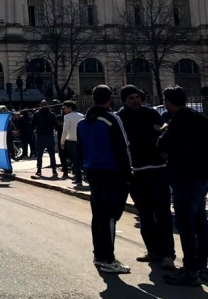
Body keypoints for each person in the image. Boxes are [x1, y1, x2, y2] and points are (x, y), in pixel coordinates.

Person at [158, 86, 208, 287]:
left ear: (169, 102)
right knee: (201, 223)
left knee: (186, 226)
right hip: (201, 177)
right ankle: (203, 267)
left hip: (183, 178)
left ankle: (190, 271)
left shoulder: (176, 122)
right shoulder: (201, 119)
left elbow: (161, 147)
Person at [116, 85, 175, 270]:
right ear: (124, 100)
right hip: (136, 172)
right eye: (131, 98)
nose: (135, 101)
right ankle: (152, 250)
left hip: (157, 170)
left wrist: (161, 131)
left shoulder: (150, 113)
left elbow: (165, 131)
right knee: (145, 215)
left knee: (163, 214)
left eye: (137, 97)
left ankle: (167, 254)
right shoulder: (120, 117)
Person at [77, 85, 133, 274]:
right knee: (109, 216)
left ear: (93, 99)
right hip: (112, 172)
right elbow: (123, 148)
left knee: (98, 215)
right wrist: (128, 175)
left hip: (92, 171)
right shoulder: (111, 119)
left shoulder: (83, 123)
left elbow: (80, 149)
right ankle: (108, 258)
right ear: (110, 99)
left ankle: (99, 254)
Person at [60, 101, 84, 187]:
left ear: (70, 107)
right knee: (81, 159)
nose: (64, 110)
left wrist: (62, 141)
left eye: (65, 108)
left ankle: (78, 179)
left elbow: (65, 130)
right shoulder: (82, 116)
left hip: (71, 141)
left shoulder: (67, 117)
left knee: (75, 160)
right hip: (81, 141)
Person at [32, 106, 59, 178]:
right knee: (52, 154)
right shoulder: (52, 115)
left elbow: (32, 125)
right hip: (49, 136)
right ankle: (54, 170)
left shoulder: (36, 114)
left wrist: (34, 130)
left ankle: (39, 170)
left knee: (39, 154)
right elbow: (57, 125)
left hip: (40, 136)